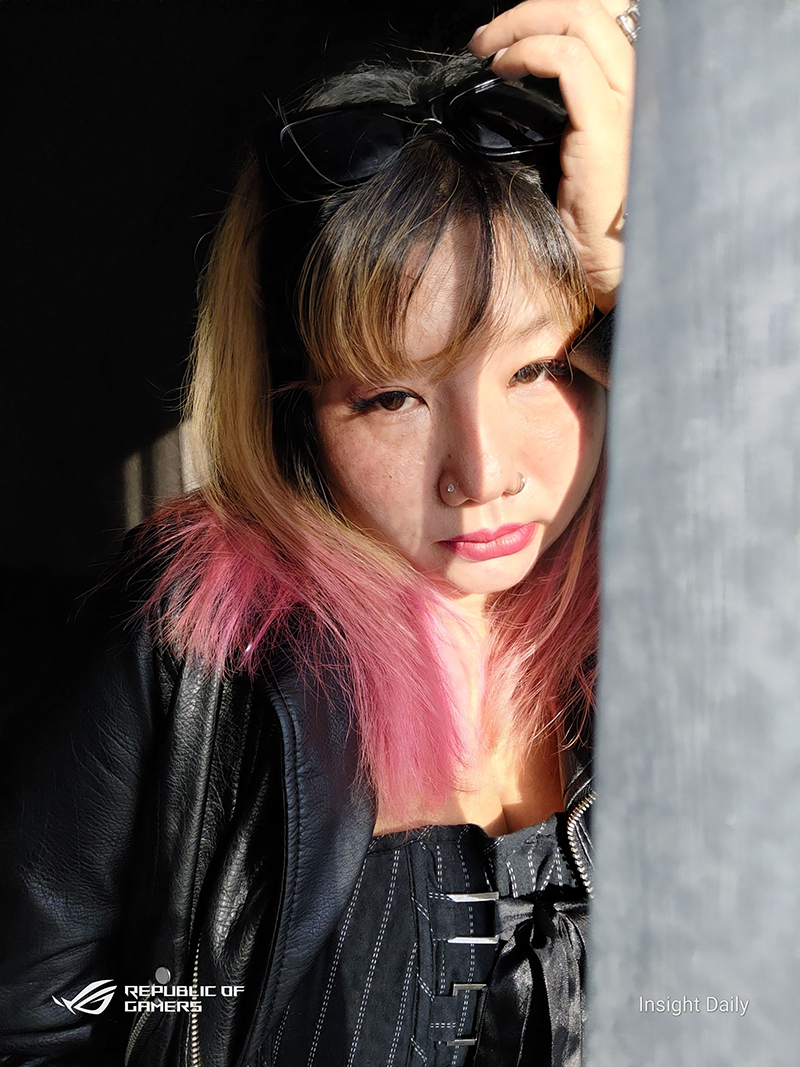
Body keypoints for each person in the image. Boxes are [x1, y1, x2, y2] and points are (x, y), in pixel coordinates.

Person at [0, 1, 635, 1064]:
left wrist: (651, 275)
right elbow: (32, 1020)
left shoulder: (670, 623)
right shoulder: (198, 641)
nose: (483, 473)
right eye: (391, 397)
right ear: (300, 412)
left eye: (538, 368)